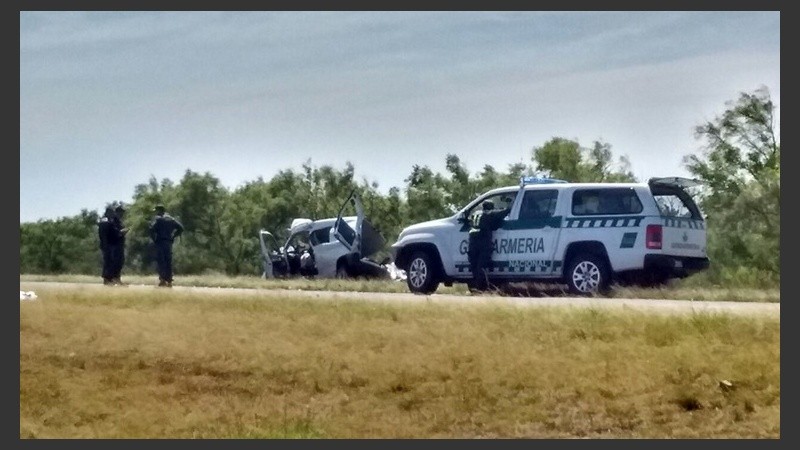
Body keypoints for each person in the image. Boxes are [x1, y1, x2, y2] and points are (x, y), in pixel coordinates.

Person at [467, 200, 511, 291]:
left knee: (474, 266)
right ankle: (479, 289)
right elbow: (506, 212)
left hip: (472, 243)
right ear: (491, 208)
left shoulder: (476, 214)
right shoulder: (490, 215)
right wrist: (509, 204)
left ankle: (474, 287)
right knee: (481, 267)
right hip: (483, 243)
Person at [149, 204, 184, 287]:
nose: (155, 213)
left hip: (160, 242)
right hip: (169, 243)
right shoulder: (171, 219)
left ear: (159, 211)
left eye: (156, 211)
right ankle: (169, 280)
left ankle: (162, 280)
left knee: (161, 261)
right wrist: (173, 236)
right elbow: (181, 228)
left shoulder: (158, 219)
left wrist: (154, 239)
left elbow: (151, 230)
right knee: (168, 261)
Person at [109, 204, 129, 285]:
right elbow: (114, 232)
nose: (122, 214)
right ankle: (113, 279)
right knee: (115, 262)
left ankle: (117, 278)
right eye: (121, 212)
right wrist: (122, 232)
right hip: (115, 244)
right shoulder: (113, 221)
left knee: (120, 261)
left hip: (120, 244)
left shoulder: (120, 221)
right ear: (117, 212)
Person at [97, 206, 116, 285]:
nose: (113, 214)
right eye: (111, 212)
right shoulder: (106, 221)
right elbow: (104, 234)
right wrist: (105, 244)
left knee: (110, 261)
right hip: (107, 244)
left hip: (108, 244)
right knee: (108, 261)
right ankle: (107, 279)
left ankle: (109, 278)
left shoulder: (107, 221)